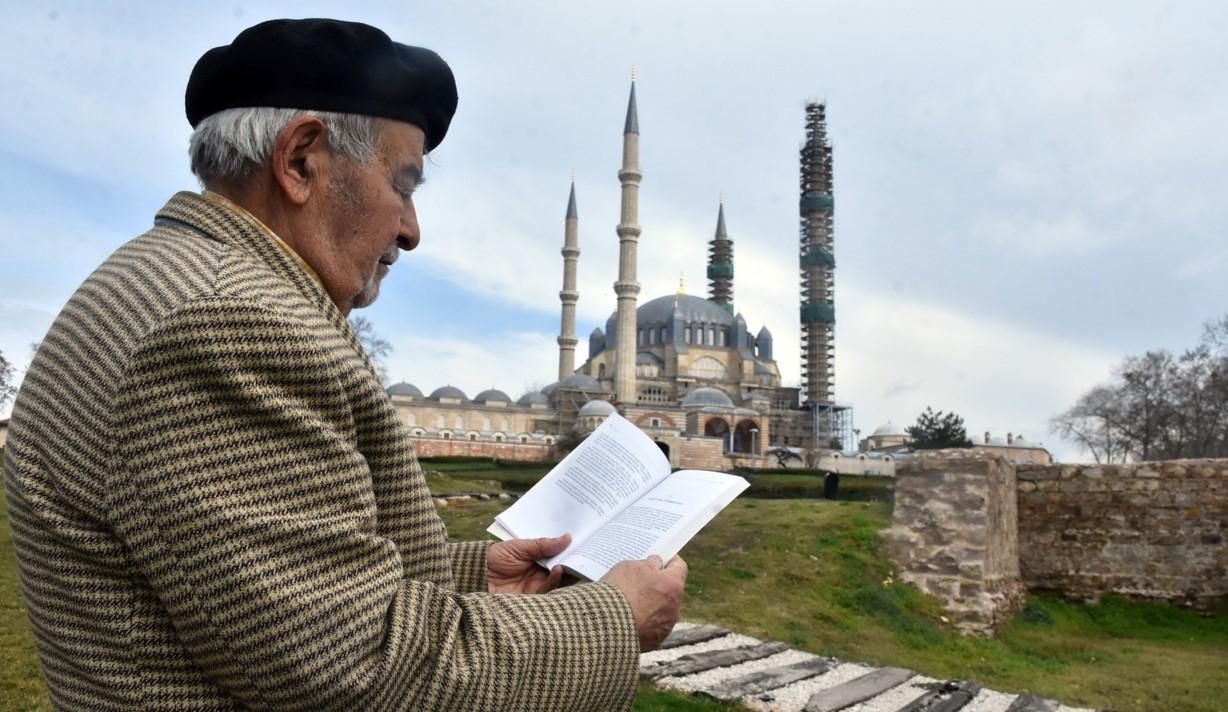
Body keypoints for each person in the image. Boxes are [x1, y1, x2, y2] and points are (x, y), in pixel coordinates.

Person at [4, 18, 686, 711]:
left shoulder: (169, 281)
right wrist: (616, 619)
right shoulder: (227, 324)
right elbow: (355, 670)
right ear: (301, 160)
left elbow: (279, 583)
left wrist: (480, 576)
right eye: (404, 184)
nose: (412, 231)